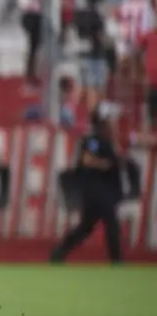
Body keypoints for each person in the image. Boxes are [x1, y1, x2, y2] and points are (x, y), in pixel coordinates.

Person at [50, 103, 124, 264]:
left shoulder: (106, 139)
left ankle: (58, 253)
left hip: (102, 190)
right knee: (111, 225)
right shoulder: (94, 139)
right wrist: (105, 164)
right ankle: (117, 261)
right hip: (98, 191)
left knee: (85, 227)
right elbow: (87, 159)